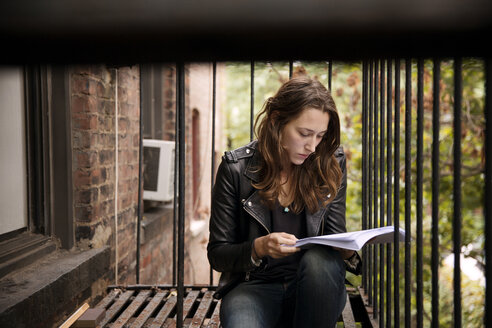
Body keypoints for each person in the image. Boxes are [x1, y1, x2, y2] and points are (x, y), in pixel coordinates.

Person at [207, 75, 359, 328]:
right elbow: (218, 254)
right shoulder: (236, 168)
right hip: (253, 287)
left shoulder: (330, 162)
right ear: (277, 119)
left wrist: (348, 250)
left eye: (320, 136)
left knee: (320, 260)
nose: (312, 146)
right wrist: (259, 247)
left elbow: (334, 236)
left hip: (313, 287)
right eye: (304, 133)